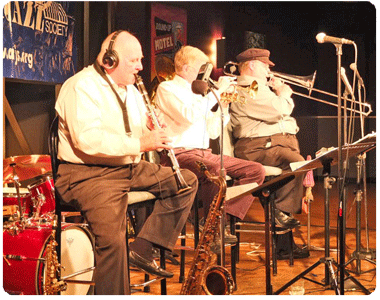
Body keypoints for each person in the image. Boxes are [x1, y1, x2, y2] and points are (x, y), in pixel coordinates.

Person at [54, 30, 198, 295]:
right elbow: (88, 141)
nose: (141, 67)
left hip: (127, 168)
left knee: (186, 182)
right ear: (110, 59)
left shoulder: (131, 90)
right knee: (112, 240)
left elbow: (134, 134)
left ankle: (142, 248)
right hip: (87, 174)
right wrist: (142, 143)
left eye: (141, 60)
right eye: (134, 61)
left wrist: (151, 128)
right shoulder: (80, 86)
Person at [154, 45, 266, 240]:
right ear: (187, 68)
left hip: (204, 153)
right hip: (179, 154)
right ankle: (214, 227)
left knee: (256, 171)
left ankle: (218, 219)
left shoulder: (200, 94)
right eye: (202, 68)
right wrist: (215, 94)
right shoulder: (167, 89)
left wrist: (223, 106)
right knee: (214, 169)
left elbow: (213, 133)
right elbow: (188, 116)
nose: (206, 73)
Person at [229, 47, 309, 259]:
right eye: (265, 65)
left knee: (283, 186)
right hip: (256, 147)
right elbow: (279, 110)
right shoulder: (248, 87)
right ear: (253, 65)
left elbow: (277, 114)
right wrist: (284, 94)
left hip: (271, 145)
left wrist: (275, 94)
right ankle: (277, 212)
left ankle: (284, 243)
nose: (268, 70)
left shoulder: (258, 88)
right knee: (298, 164)